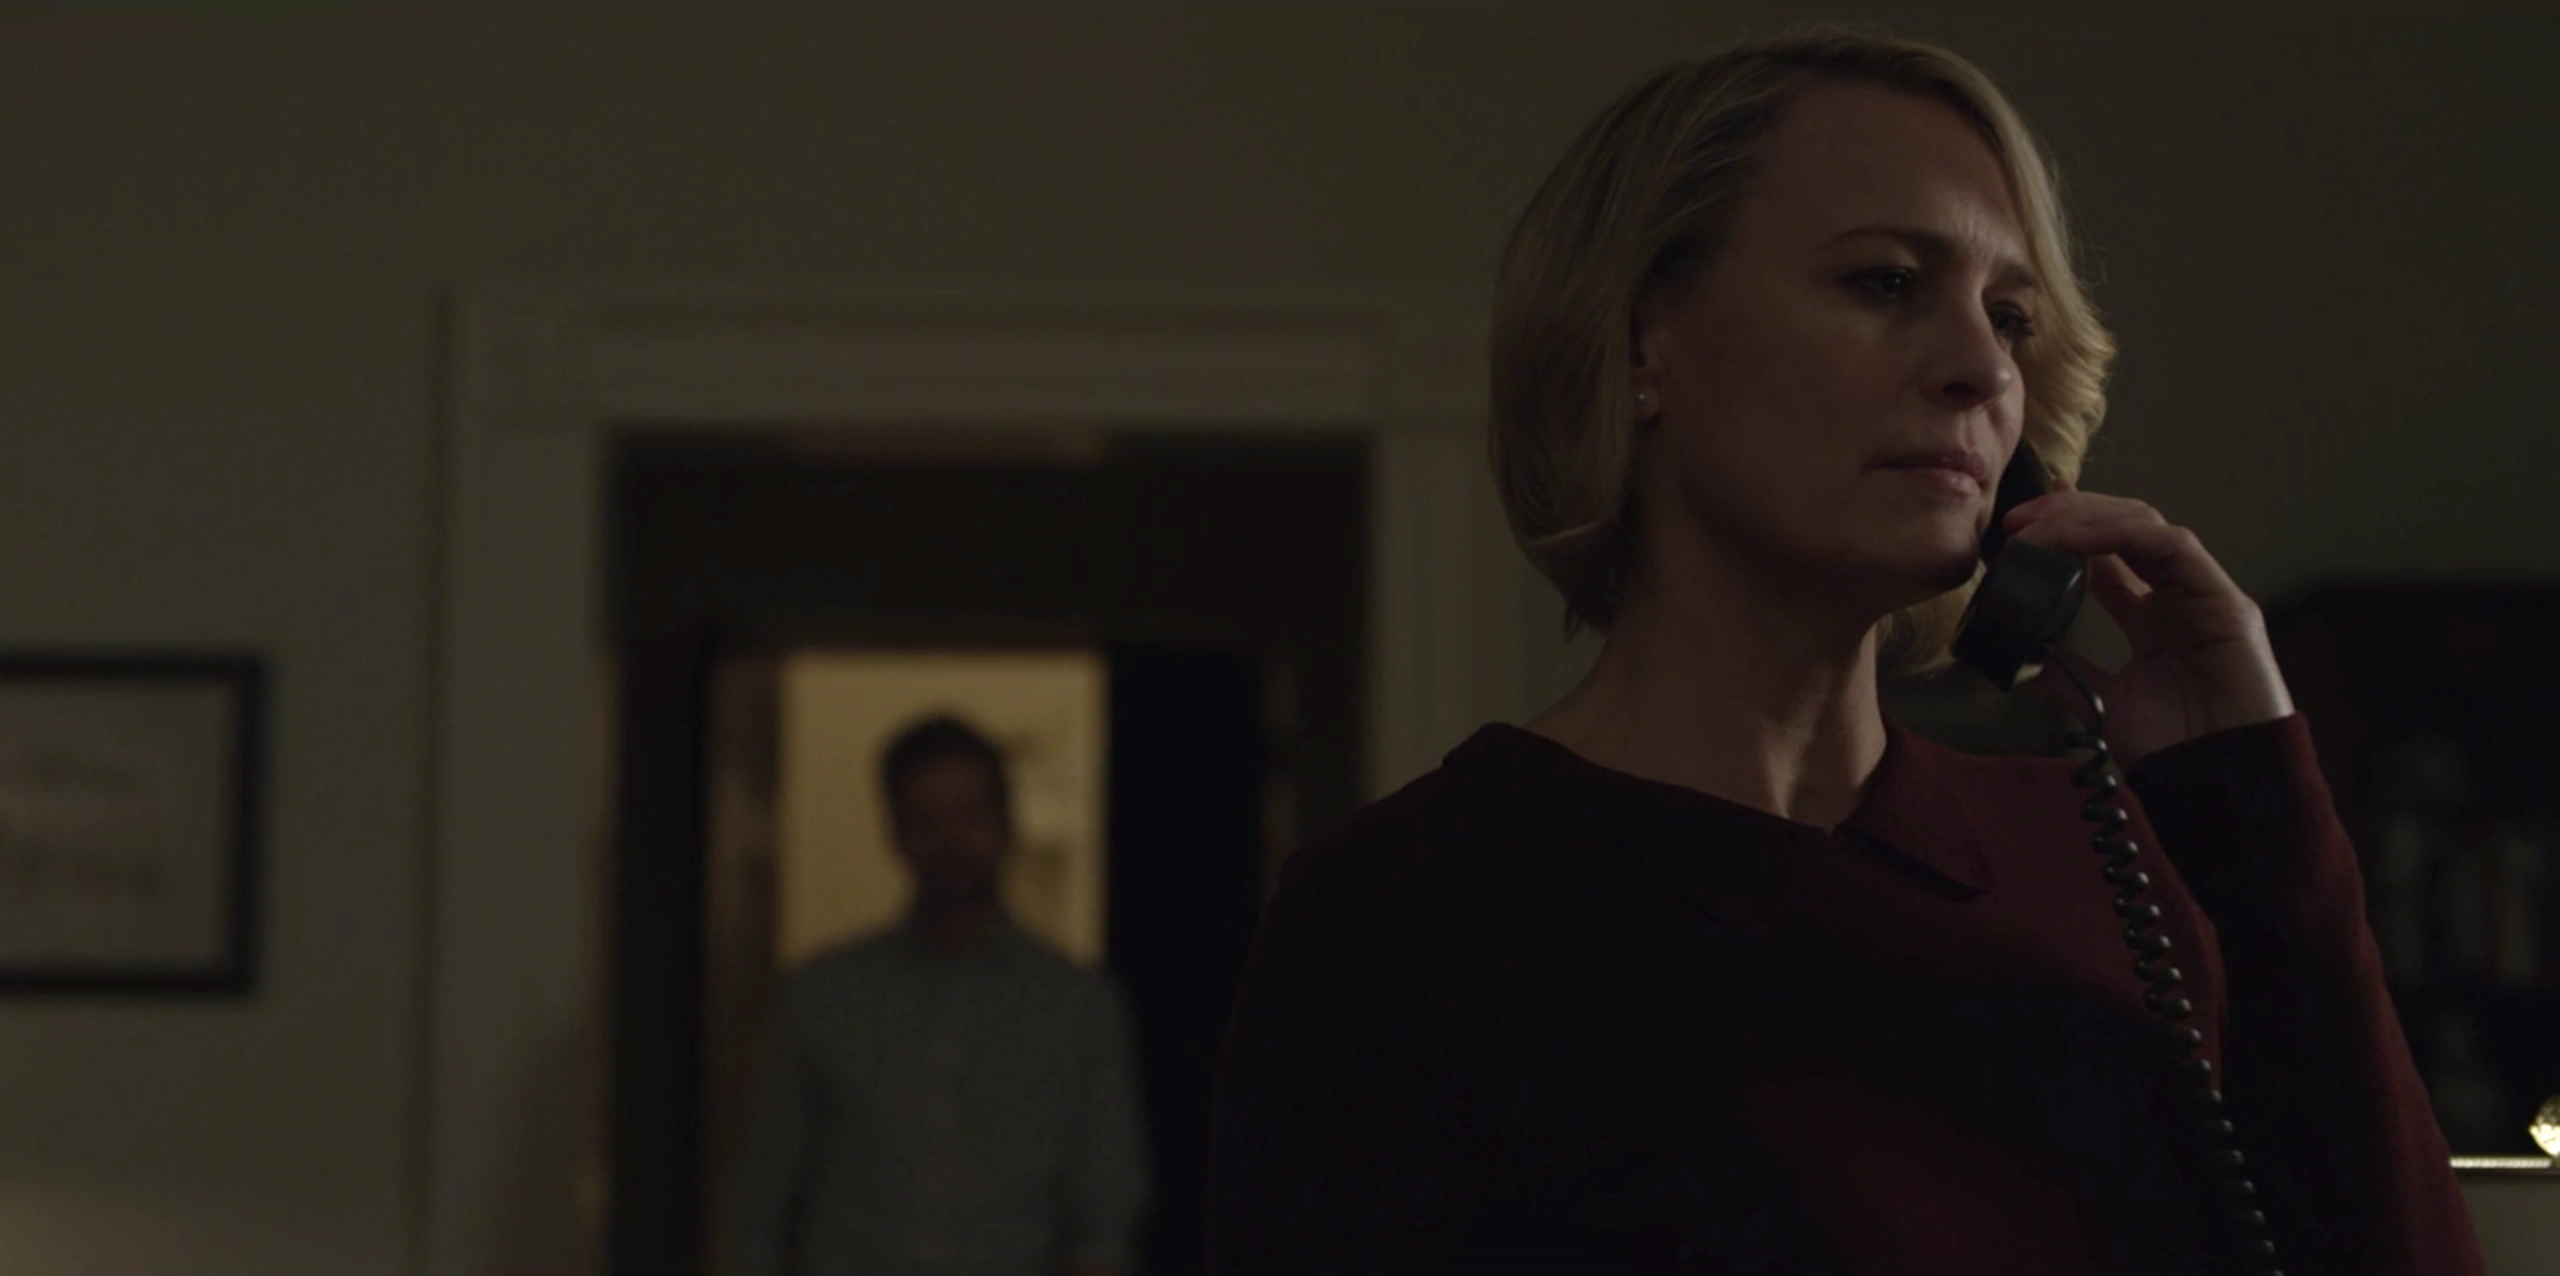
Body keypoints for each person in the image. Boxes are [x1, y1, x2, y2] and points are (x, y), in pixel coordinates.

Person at [1205, 23, 2482, 1276]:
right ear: (1642, 343)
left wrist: (2250, 798)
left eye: (2010, 317)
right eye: (1884, 283)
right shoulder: (1408, 912)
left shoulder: (2109, 862)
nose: (1981, 367)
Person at [722, 714, 1152, 1276]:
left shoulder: (1077, 1006)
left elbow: (1105, 1212)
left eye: (969, 816)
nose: (950, 843)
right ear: (894, 832)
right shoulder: (821, 996)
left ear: (1006, 823)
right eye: (925, 820)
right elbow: (758, 1200)